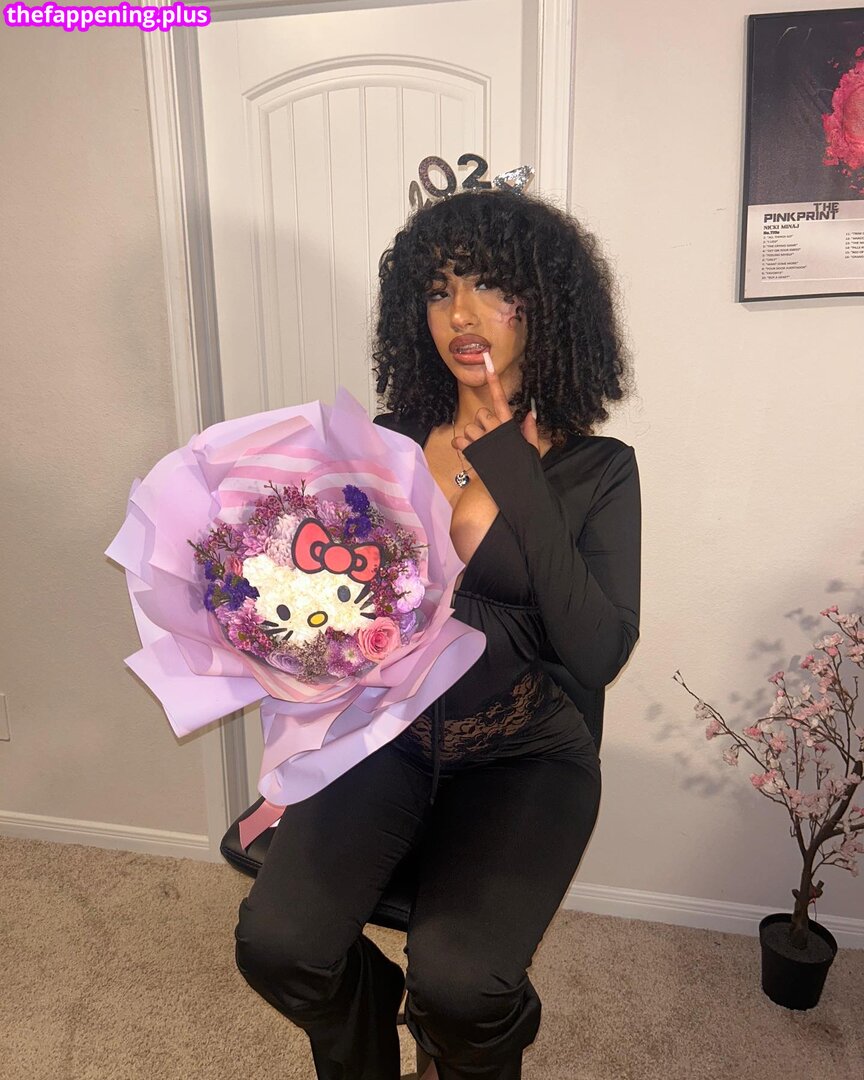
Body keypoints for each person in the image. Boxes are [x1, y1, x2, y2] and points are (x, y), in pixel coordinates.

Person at [233, 186, 641, 1080]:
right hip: (385, 737)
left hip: (524, 755)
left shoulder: (598, 470)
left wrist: (514, 472)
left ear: (545, 304)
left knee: (462, 985)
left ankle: (470, 1035)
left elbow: (599, 652)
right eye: (438, 288)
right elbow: (334, 604)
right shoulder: (383, 443)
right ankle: (371, 1018)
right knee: (278, 946)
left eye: (492, 285)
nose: (461, 314)